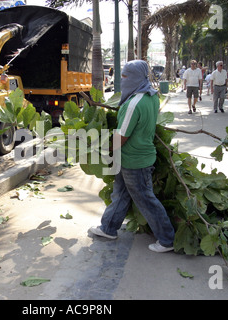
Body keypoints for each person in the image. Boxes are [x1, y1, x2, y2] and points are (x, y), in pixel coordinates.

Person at [89, 60, 175, 253]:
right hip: (132, 158)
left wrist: (102, 149)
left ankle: (167, 239)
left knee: (145, 199)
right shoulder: (151, 96)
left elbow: (121, 137)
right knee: (120, 194)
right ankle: (109, 228)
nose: (122, 79)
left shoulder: (133, 104)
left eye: (126, 76)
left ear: (136, 77)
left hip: (135, 161)